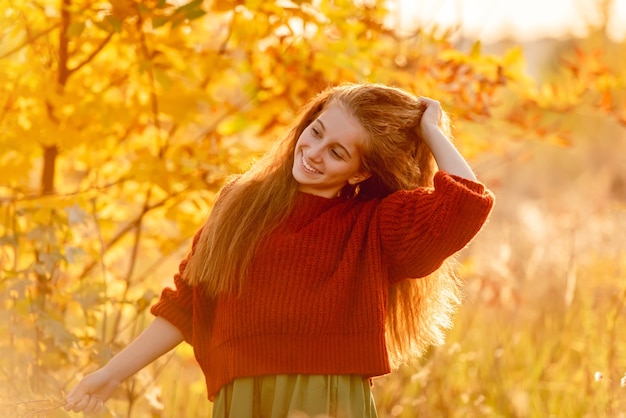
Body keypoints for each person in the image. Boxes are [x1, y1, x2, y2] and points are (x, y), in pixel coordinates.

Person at [65, 83, 495, 417]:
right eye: (316, 131)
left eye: (337, 152)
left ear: (360, 171)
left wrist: (431, 132)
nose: (313, 152)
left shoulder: (373, 225)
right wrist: (109, 376)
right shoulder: (239, 203)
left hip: (329, 400)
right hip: (243, 402)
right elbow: (186, 305)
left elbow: (465, 203)